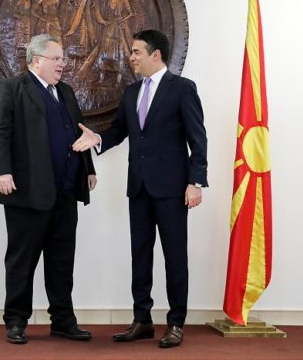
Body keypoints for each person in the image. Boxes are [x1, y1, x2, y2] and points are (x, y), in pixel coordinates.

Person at [73, 29, 208, 348]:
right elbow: (119, 130)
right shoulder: (132, 92)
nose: (131, 57)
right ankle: (142, 320)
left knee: (175, 257)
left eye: (136, 52)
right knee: (140, 255)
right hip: (139, 188)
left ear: (155, 54)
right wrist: (98, 139)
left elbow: (197, 138)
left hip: (173, 189)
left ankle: (175, 323)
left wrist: (195, 182)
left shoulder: (182, 89)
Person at [0, 34, 97, 345]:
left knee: (62, 261)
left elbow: (78, 132)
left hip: (66, 193)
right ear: (36, 60)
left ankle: (63, 321)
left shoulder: (66, 92)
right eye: (56, 58)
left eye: (63, 58)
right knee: (22, 261)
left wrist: (88, 169)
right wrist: (1, 171)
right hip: (26, 192)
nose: (63, 63)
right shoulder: (11, 88)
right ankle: (15, 321)